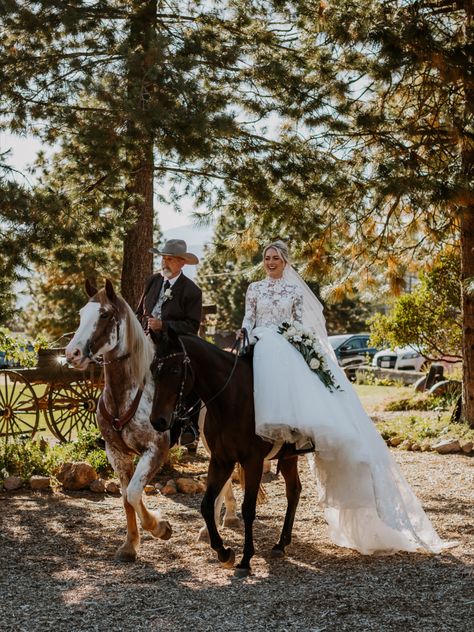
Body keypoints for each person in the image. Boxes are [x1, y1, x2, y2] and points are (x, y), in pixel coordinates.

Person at [240, 240, 453, 555]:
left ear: (285, 262)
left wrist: (290, 339)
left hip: (282, 345)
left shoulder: (294, 292)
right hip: (258, 340)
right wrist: (246, 333)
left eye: (275, 258)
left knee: (280, 362)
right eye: (266, 258)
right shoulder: (254, 288)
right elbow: (248, 317)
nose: (270, 262)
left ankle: (291, 433)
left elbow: (298, 323)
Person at [136, 239, 202, 447]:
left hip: (173, 344)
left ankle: (190, 426)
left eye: (170, 259)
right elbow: (140, 312)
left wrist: (164, 325)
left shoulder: (192, 291)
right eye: (163, 258)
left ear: (182, 263)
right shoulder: (153, 281)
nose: (165, 263)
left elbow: (192, 326)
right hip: (145, 340)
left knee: (191, 372)